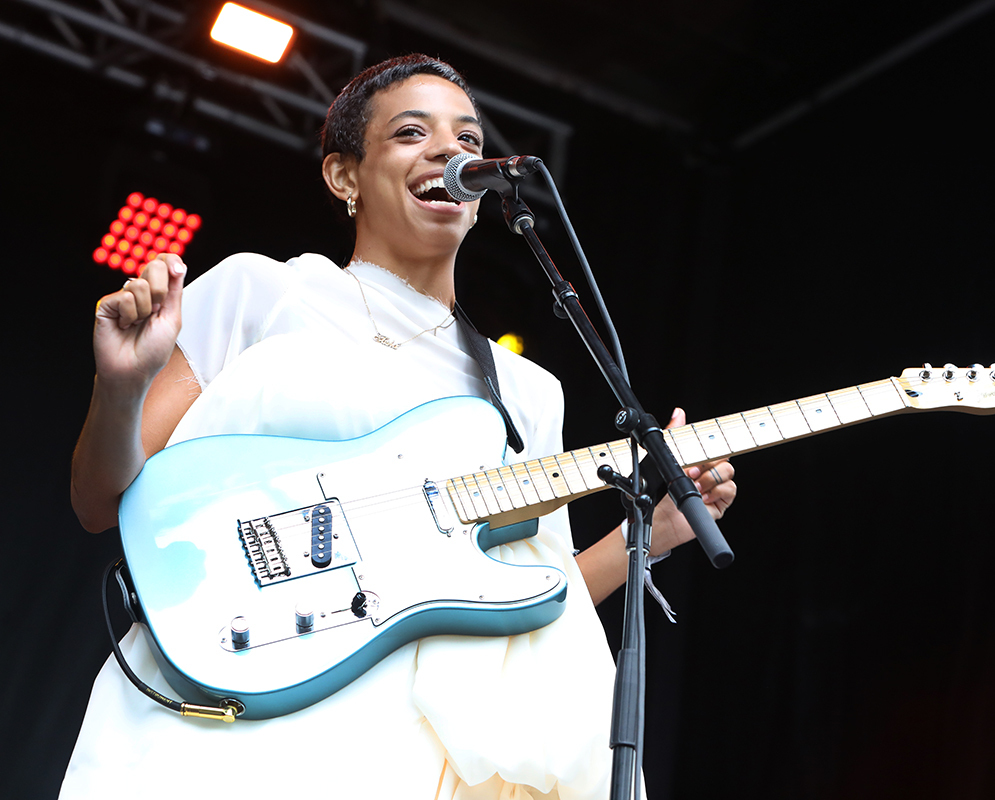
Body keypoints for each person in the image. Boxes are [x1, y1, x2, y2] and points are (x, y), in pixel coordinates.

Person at [63, 54, 736, 800]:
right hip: (232, 690)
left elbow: (525, 596)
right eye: (412, 133)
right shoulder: (265, 289)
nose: (452, 154)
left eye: (469, 142)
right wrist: (120, 389)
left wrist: (656, 532)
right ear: (344, 177)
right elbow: (100, 503)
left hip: (403, 743)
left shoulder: (524, 392)